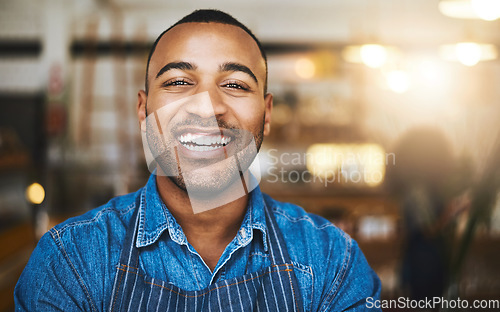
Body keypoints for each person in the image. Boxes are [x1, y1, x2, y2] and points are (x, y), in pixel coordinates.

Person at [15, 9, 381, 311]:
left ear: (267, 113)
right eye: (178, 82)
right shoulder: (70, 262)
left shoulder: (332, 260)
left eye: (235, 85)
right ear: (143, 110)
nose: (207, 108)